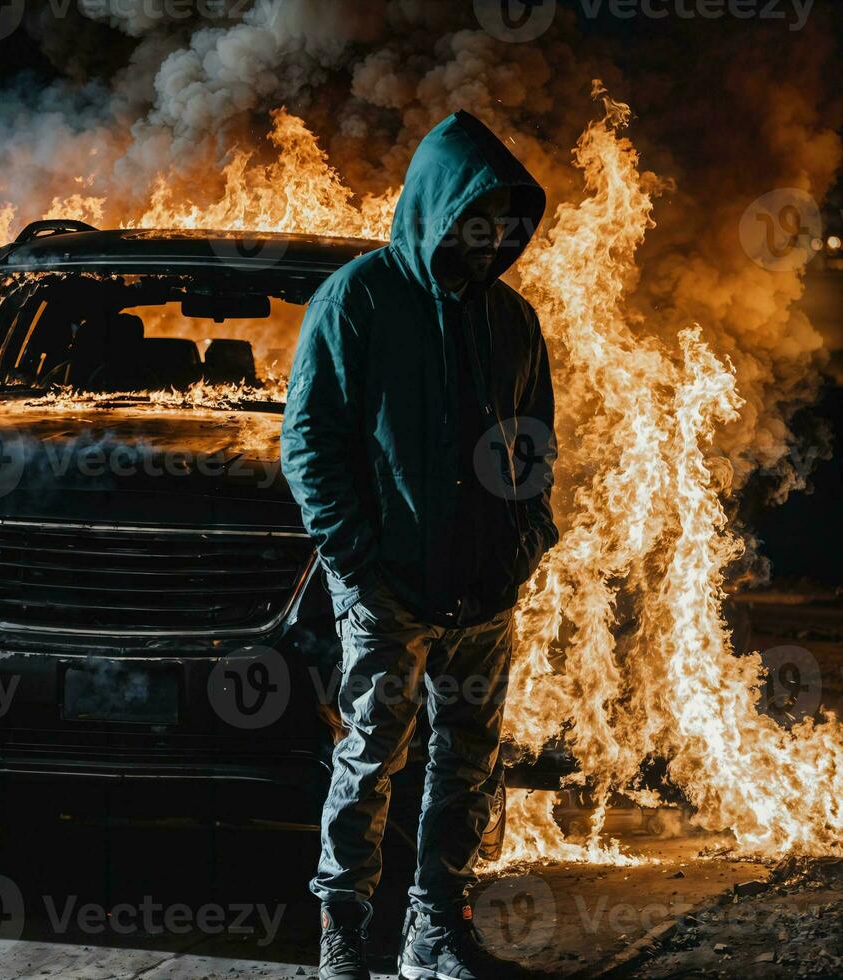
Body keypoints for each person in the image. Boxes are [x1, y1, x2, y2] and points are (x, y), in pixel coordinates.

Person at [281, 110, 558, 980]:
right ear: (436, 206)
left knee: (469, 766)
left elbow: (533, 441)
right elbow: (310, 439)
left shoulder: (512, 320)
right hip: (390, 589)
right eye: (475, 219)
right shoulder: (358, 299)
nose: (488, 241)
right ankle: (344, 939)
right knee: (369, 761)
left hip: (484, 593)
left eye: (502, 226)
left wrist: (525, 541)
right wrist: (355, 562)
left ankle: (435, 935)